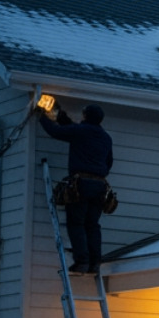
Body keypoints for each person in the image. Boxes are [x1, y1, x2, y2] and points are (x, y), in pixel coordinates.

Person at [36, 102, 113, 273]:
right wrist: (61, 117)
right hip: (99, 186)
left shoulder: (81, 131)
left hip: (81, 184)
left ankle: (82, 261)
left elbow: (56, 132)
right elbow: (108, 164)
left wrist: (41, 115)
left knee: (76, 222)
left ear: (86, 116)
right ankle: (94, 263)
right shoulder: (105, 137)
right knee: (92, 225)